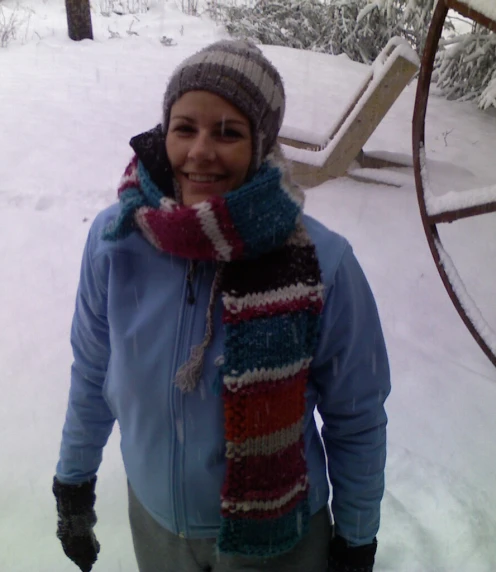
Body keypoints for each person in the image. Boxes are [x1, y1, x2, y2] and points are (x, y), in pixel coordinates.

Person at [52, 39, 391, 572]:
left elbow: (357, 417)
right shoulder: (115, 241)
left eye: (228, 132)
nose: (200, 151)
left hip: (280, 541)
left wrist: (356, 538)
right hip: (158, 527)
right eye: (184, 128)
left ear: (260, 144)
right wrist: (73, 480)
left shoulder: (323, 263)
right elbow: (94, 371)